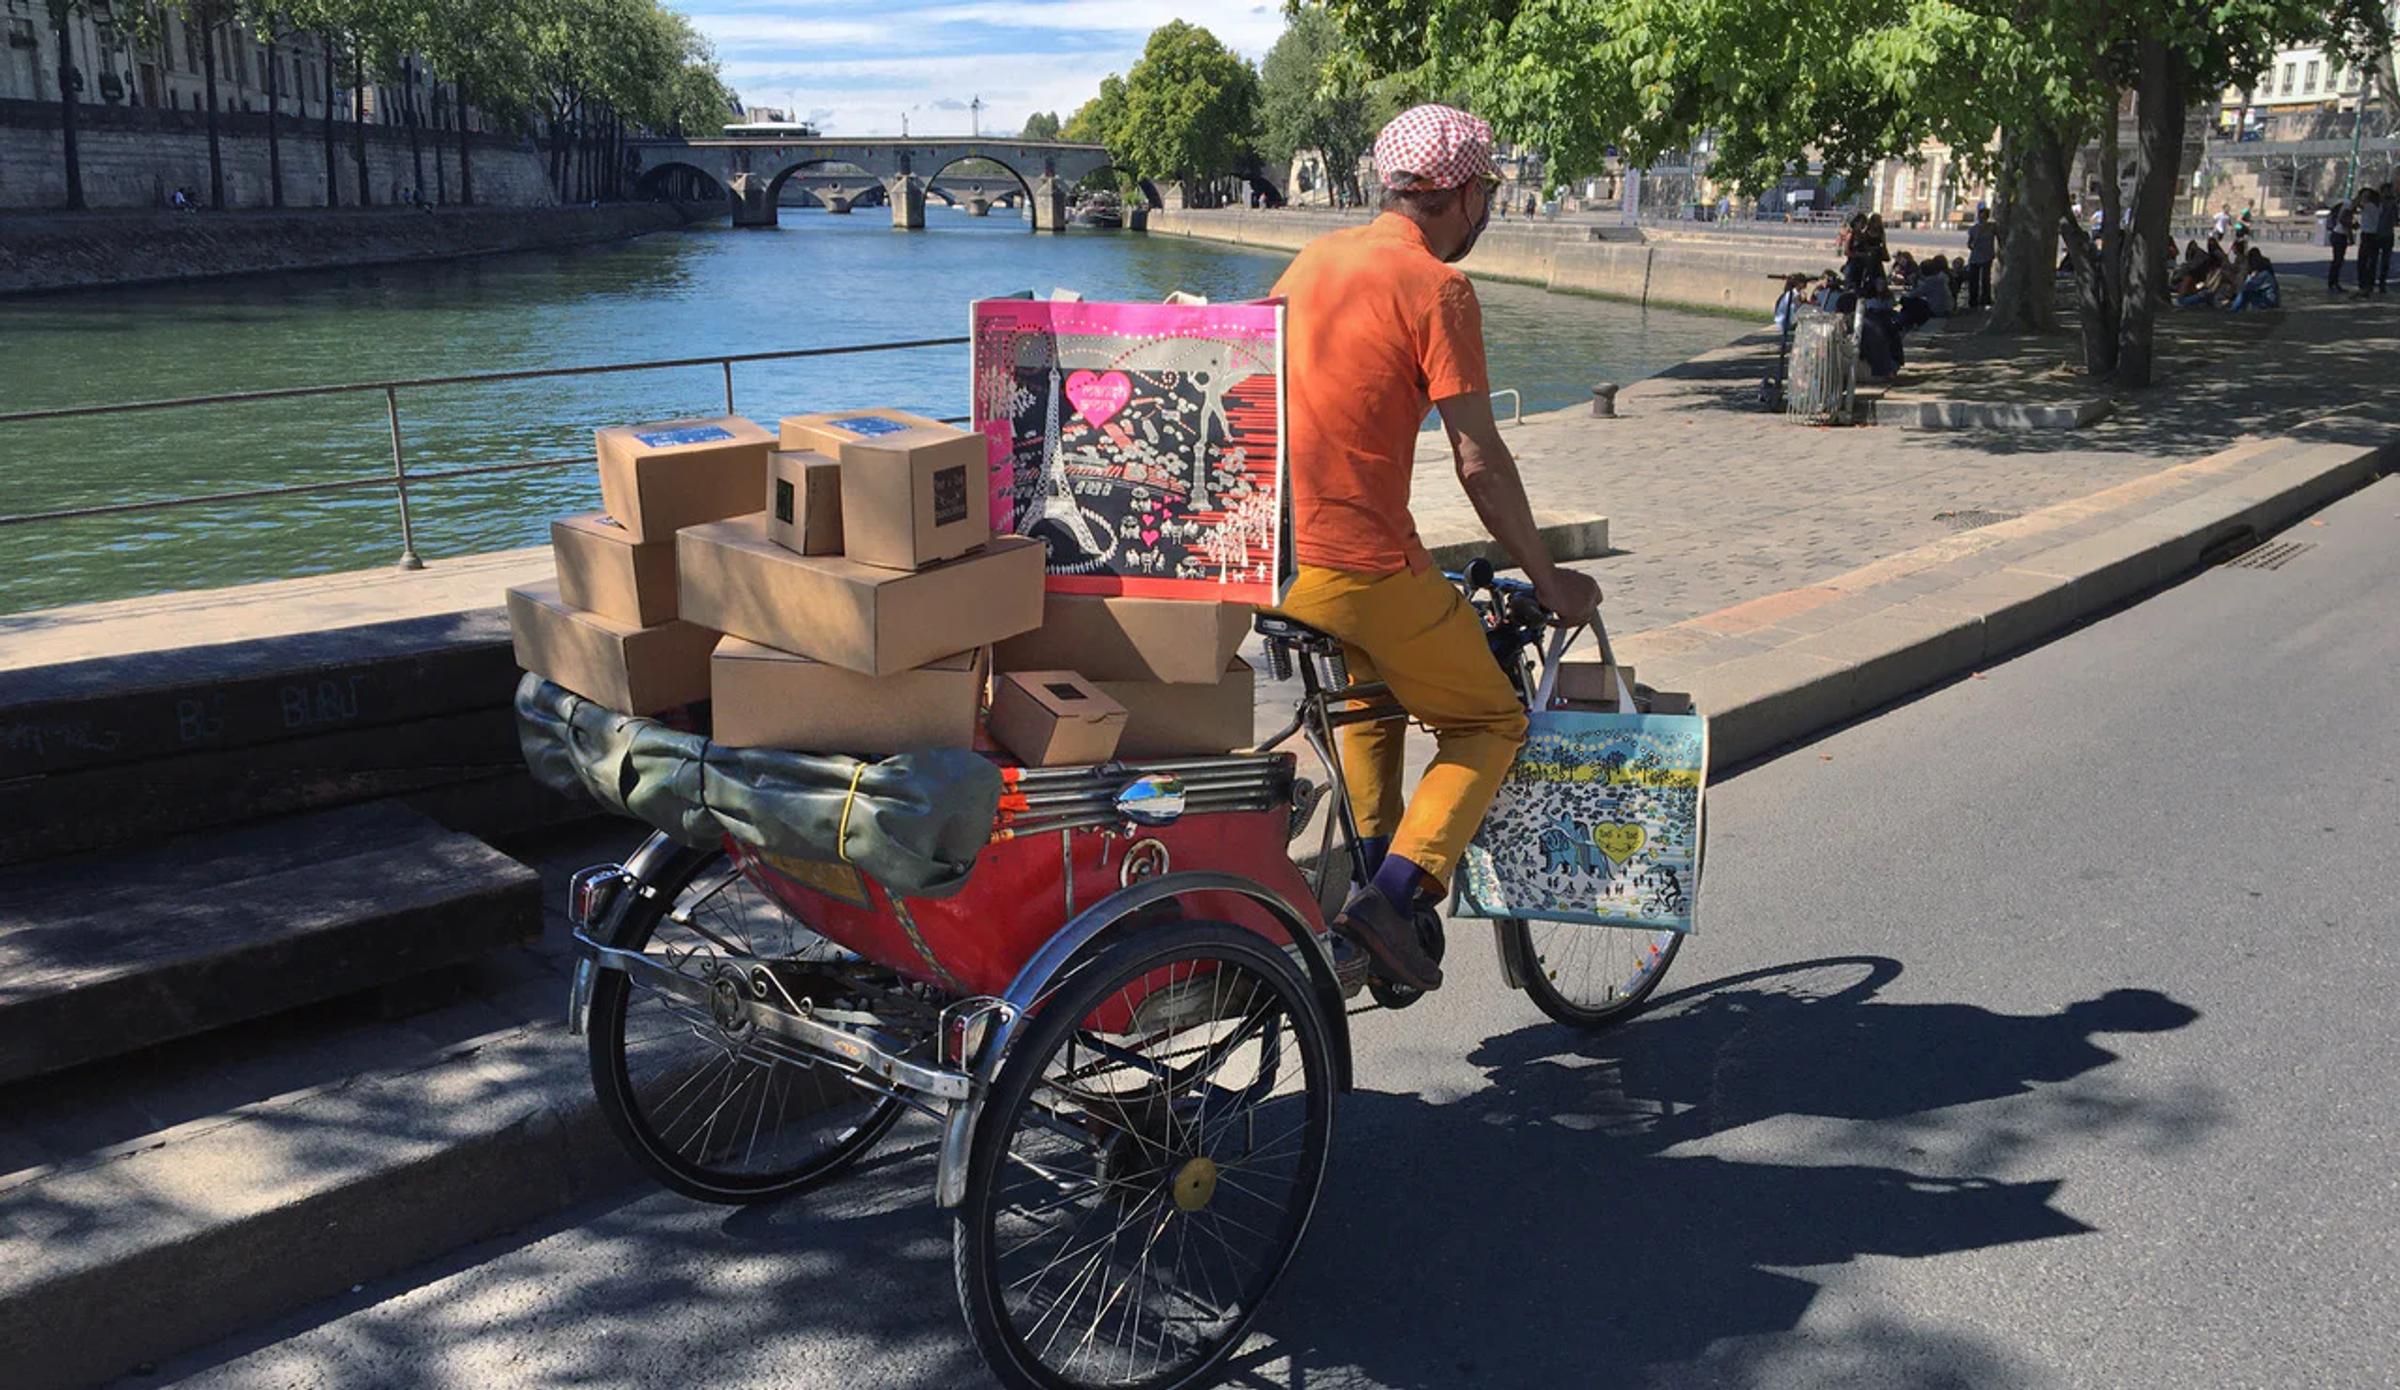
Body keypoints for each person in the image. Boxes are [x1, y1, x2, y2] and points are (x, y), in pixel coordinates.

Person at [1266, 104, 1602, 993]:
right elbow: (1479, 461)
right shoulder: (1438, 289)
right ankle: (1395, 898)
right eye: (1486, 190)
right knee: (1490, 719)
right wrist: (1548, 578)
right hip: (1362, 564)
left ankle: (1381, 898)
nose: (1488, 208)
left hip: (1277, 566)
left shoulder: (1310, 263)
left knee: (1372, 706)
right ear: (1456, 194)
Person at [2229, 247, 2280, 312]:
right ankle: (2238, 309)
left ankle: (2234, 310)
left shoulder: (2264, 275)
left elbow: (2248, 286)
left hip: (2270, 301)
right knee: (2248, 294)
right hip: (2267, 298)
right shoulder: (2265, 273)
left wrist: (2250, 277)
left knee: (2245, 293)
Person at [1965, 205, 1997, 308]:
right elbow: (1969, 244)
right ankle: (1973, 300)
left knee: (1985, 279)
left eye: (1983, 217)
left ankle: (1985, 300)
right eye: (1980, 217)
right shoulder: (1973, 229)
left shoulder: (1992, 227)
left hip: (1987, 256)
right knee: (1973, 279)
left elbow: (2000, 238)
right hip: (1975, 256)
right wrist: (1972, 244)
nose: (1982, 219)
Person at [2327, 199, 2354, 291]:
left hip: (2336, 234)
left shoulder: (2345, 206)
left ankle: (2333, 282)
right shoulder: (2348, 208)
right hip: (2340, 236)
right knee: (2338, 260)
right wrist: (2351, 238)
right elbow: (2345, 224)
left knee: (2337, 260)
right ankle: (2333, 282)